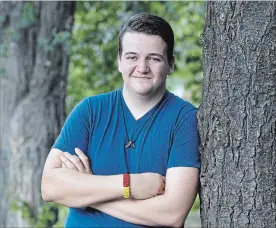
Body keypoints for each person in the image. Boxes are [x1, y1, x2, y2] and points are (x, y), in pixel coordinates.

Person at [41, 12, 200, 227]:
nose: (142, 68)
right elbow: (50, 187)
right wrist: (129, 185)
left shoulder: (185, 119)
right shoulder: (90, 111)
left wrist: (88, 192)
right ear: (119, 61)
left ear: (171, 64)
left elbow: (172, 214)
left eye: (154, 58)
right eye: (132, 57)